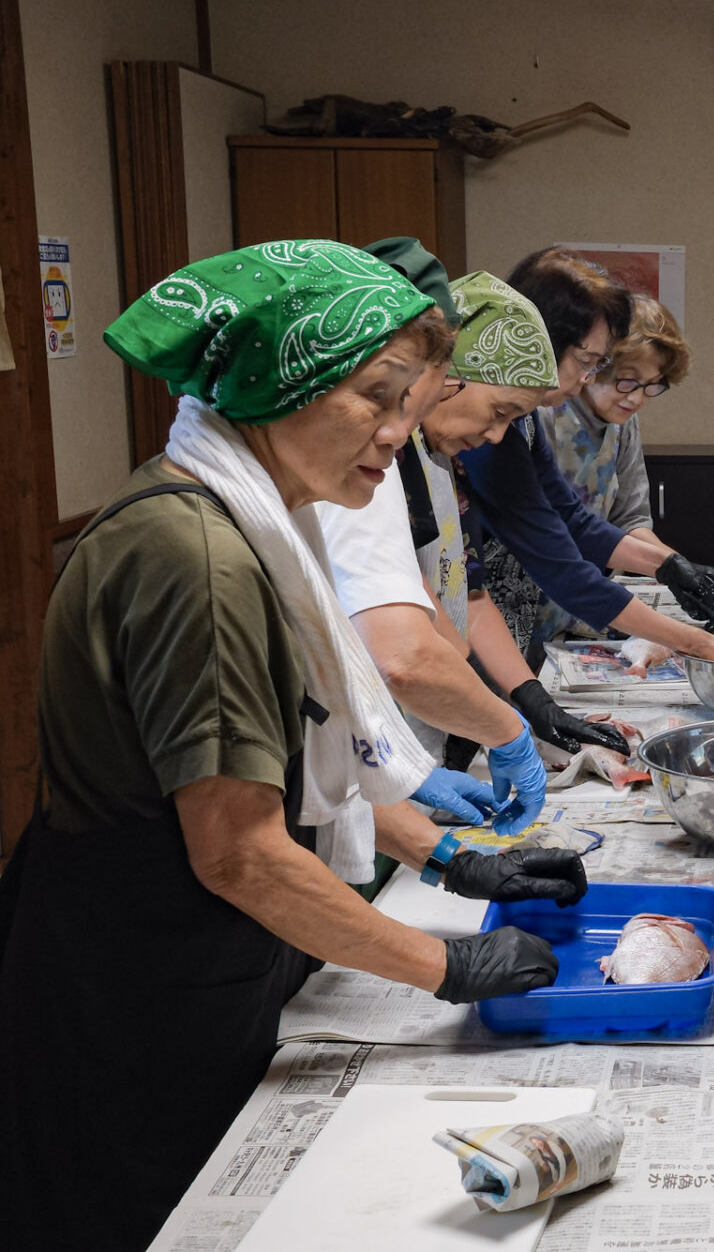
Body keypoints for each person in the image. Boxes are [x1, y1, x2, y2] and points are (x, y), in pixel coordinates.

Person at [0, 241, 590, 1250]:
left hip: (184, 946)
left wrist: (447, 854)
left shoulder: (237, 508)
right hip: (143, 969)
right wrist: (443, 962)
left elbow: (298, 758)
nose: (400, 432)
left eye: (413, 399)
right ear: (283, 378)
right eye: (376, 396)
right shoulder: (202, 558)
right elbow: (240, 848)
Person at [315, 251, 565, 833]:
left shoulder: (431, 460)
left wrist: (507, 703)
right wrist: (504, 729)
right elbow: (400, 653)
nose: (497, 434)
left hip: (394, 751)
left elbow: (442, 595)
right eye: (499, 411)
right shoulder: (364, 464)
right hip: (357, 749)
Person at [459, 247, 714, 665]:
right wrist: (697, 643)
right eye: (587, 362)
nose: (585, 378)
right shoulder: (503, 423)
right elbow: (558, 559)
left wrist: (669, 565)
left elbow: (575, 521)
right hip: (490, 623)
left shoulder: (525, 423)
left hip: (526, 626)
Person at [532, 293, 701, 641]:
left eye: (652, 385)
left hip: (582, 609)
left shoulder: (624, 425)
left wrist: (681, 568)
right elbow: (554, 532)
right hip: (530, 599)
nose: (636, 398)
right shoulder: (544, 414)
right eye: (626, 381)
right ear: (594, 367)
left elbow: (630, 519)